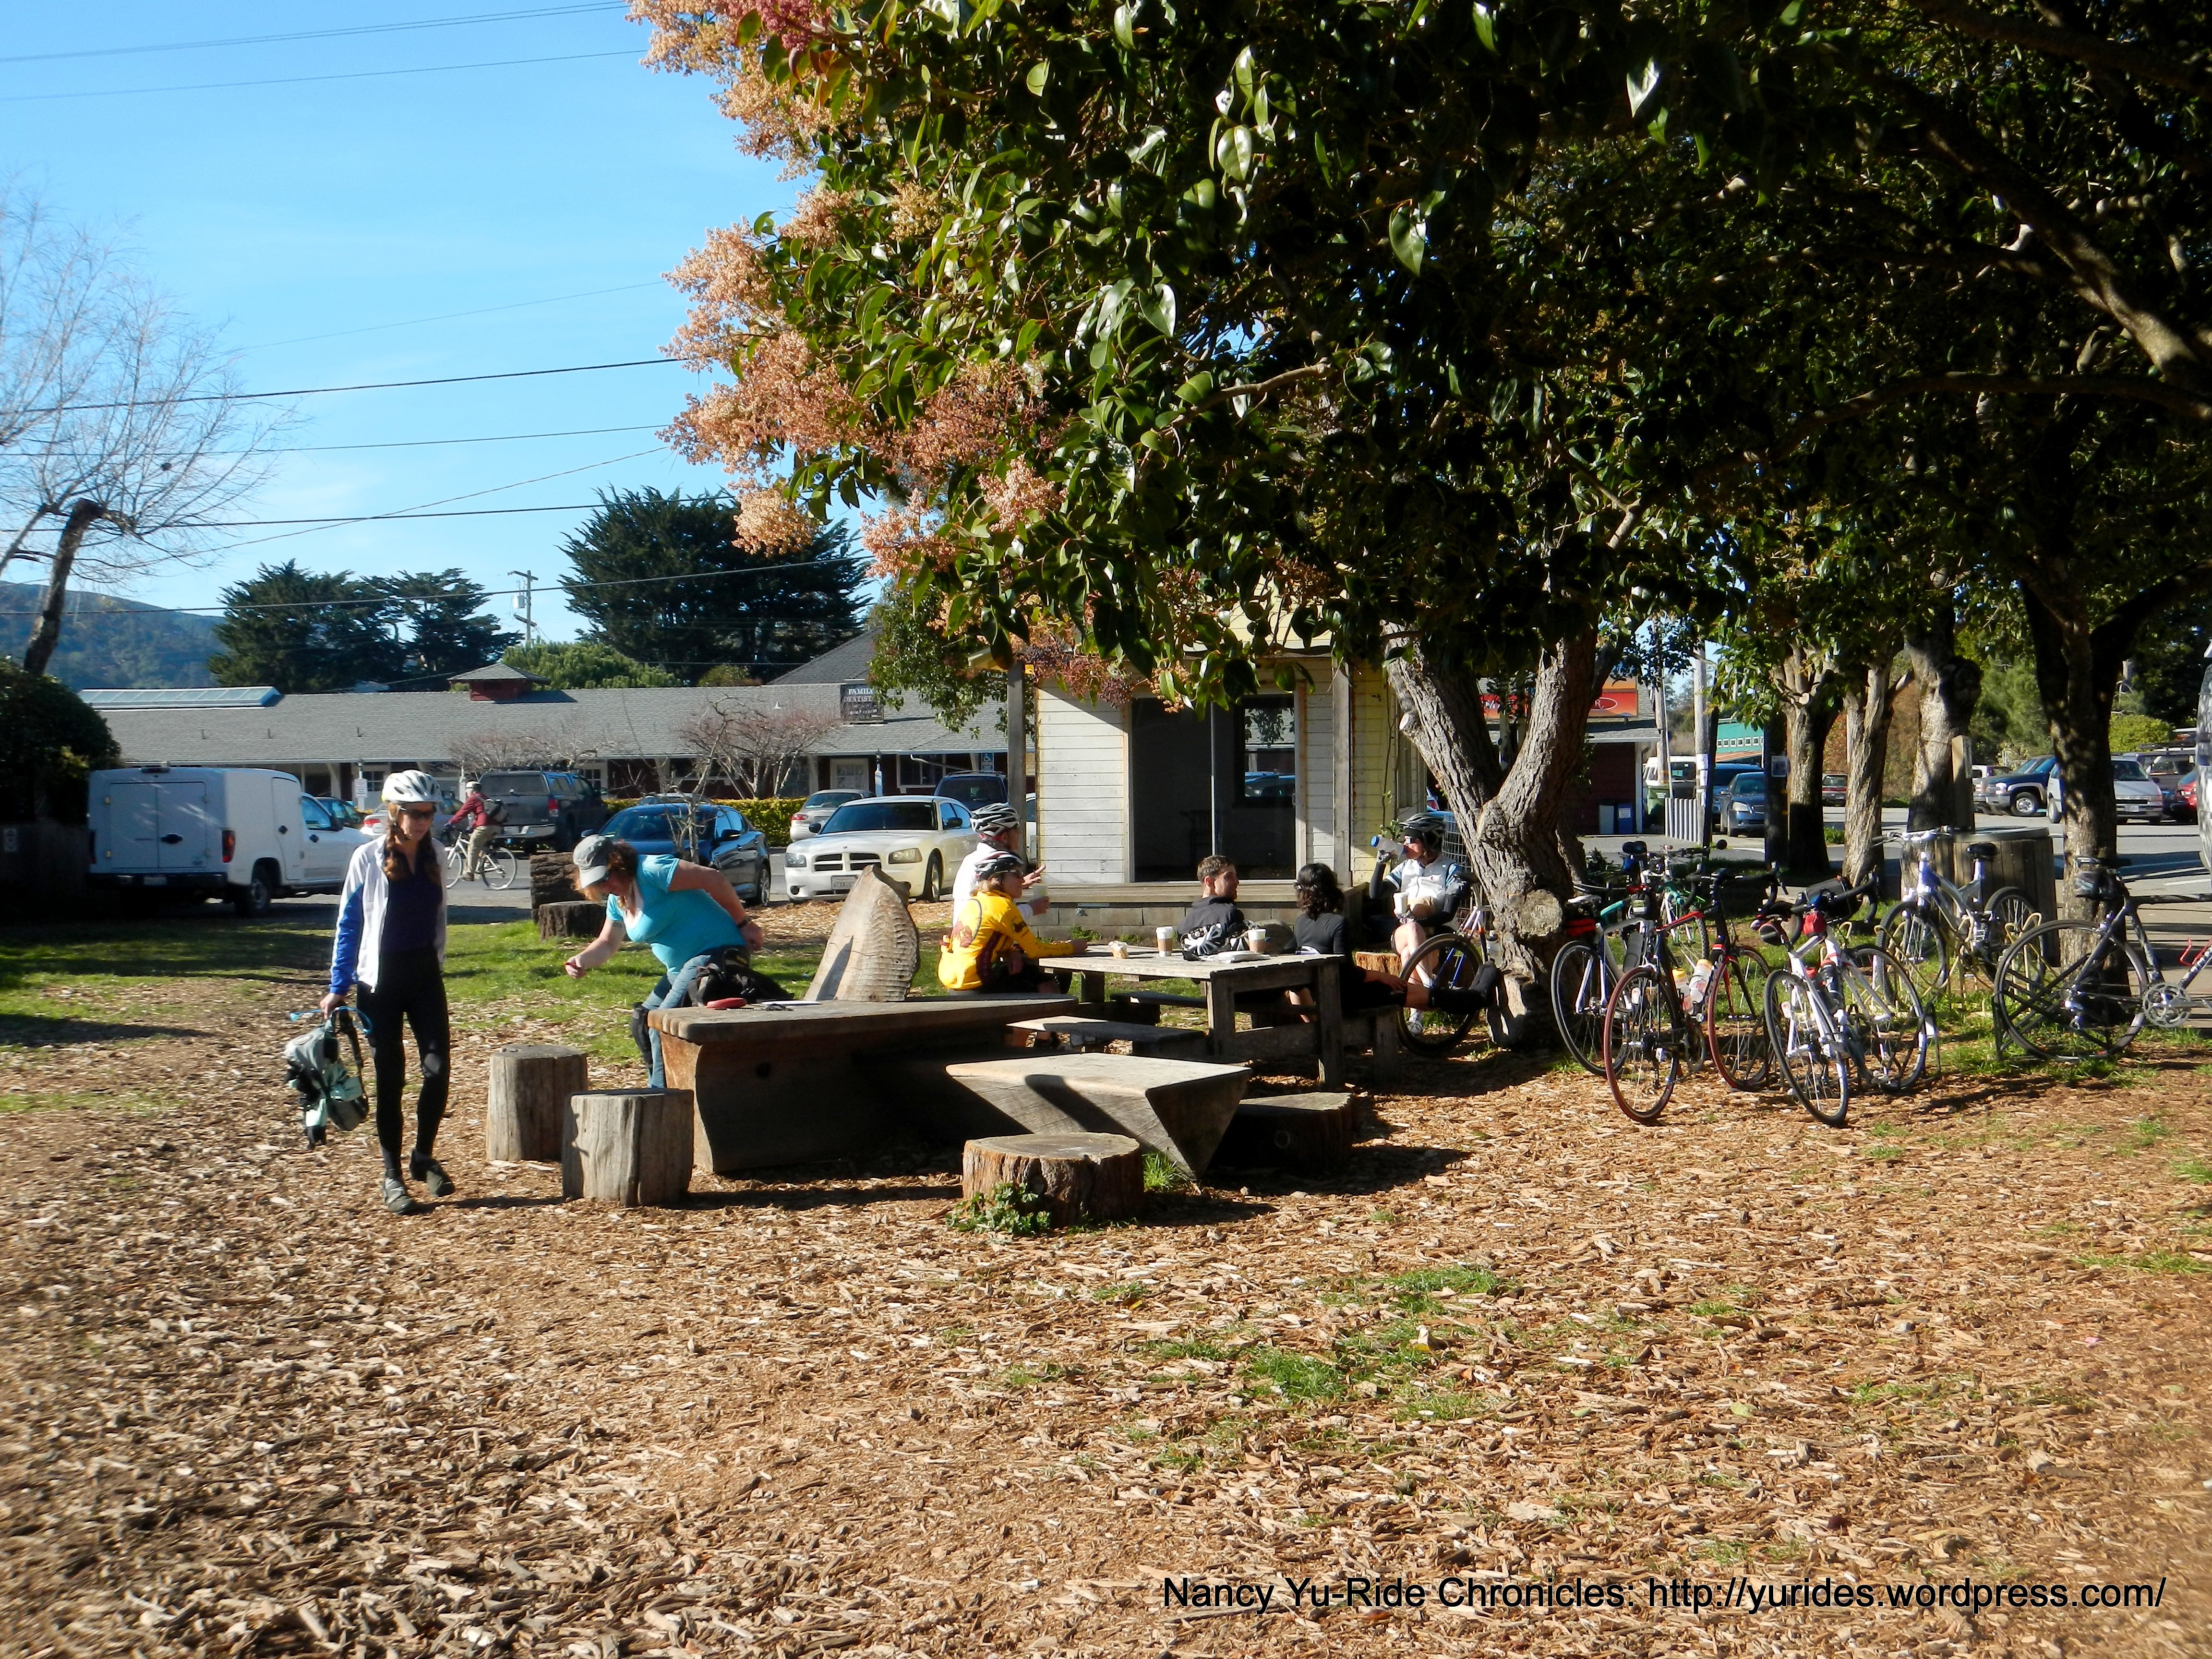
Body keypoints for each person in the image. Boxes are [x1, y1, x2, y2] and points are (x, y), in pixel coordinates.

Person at [320, 770, 455, 1216]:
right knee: (390, 1079)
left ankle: (422, 1156)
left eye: (428, 813)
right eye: (413, 814)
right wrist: (339, 986)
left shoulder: (436, 853)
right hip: (379, 981)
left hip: (423, 975)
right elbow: (349, 923)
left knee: (437, 1070)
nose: (422, 821)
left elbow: (437, 918)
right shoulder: (368, 857)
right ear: (393, 814)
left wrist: (436, 962)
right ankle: (392, 1176)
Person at [562, 834, 764, 1087]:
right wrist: (581, 959)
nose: (604, 886)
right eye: (596, 882)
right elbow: (607, 944)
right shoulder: (618, 901)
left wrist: (744, 923)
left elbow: (713, 878)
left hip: (718, 954)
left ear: (619, 863)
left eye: (606, 877)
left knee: (662, 1024)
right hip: (682, 969)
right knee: (643, 1022)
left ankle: (660, 1098)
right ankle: (659, 1085)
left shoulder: (653, 870)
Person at [1286, 862, 1406, 1015]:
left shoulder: (1301, 922)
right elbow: (1346, 974)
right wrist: (1381, 976)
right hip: (1343, 998)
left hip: (1316, 992)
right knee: (1404, 990)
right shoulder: (1338, 923)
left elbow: (1289, 951)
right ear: (1333, 890)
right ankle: (1436, 1000)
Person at [938, 852, 1048, 992]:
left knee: (1031, 973)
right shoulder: (1002, 905)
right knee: (1043, 983)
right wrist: (1073, 947)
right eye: (1016, 874)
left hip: (957, 982)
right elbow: (1035, 950)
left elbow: (984, 943)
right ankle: (1057, 1012)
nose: (1022, 881)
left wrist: (1010, 952)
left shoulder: (976, 901)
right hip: (978, 985)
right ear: (996, 880)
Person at [950, 801, 1048, 918]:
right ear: (1005, 837)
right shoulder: (993, 864)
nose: (1019, 833)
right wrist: (1031, 908)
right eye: (1016, 828)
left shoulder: (972, 859)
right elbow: (997, 917)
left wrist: (1017, 882)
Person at [1176, 854, 1247, 957]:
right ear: (1210, 882)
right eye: (1229, 877)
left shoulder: (1184, 924)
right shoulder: (1230, 914)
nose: (1237, 882)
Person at [444, 779, 501, 878]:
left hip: (485, 827)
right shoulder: (484, 798)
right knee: (479, 843)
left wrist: (450, 823)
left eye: (467, 789)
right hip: (496, 827)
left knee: (473, 845)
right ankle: (489, 860)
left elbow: (462, 813)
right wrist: (472, 826)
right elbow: (482, 815)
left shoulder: (474, 799)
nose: (466, 792)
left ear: (472, 790)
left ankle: (469, 873)